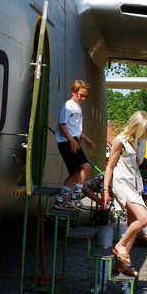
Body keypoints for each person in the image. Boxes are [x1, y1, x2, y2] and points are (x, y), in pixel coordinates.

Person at [102, 110, 147, 278]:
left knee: (134, 225)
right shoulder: (120, 141)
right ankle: (120, 245)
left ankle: (121, 266)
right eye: (143, 129)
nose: (145, 134)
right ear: (135, 126)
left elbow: (138, 165)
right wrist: (105, 190)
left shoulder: (142, 142)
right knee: (144, 219)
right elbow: (109, 167)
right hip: (121, 183)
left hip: (134, 183)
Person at [53, 80, 95, 209]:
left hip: (72, 140)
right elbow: (62, 124)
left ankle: (60, 200)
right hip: (67, 142)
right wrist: (71, 140)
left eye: (85, 96)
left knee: (75, 173)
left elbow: (75, 128)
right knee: (86, 167)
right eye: (81, 95)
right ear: (74, 92)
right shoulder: (69, 105)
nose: (83, 98)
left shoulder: (77, 106)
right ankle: (75, 197)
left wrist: (86, 138)